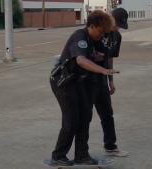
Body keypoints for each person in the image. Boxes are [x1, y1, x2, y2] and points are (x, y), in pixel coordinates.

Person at [49, 10, 119, 166]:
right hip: (63, 82)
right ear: (92, 26)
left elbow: (107, 55)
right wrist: (103, 70)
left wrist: (107, 73)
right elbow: (80, 60)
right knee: (72, 120)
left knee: (85, 117)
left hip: (79, 82)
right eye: (101, 31)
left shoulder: (96, 39)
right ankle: (58, 155)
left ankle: (82, 155)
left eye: (104, 33)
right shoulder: (79, 36)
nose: (102, 35)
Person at [89, 8, 129, 157]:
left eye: (119, 25)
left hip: (102, 78)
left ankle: (110, 147)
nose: (116, 27)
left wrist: (110, 81)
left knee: (107, 114)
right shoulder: (96, 30)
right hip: (87, 79)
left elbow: (110, 58)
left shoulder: (116, 36)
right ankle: (81, 152)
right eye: (116, 24)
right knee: (84, 116)